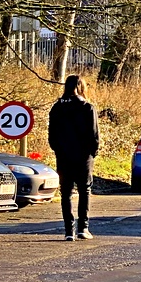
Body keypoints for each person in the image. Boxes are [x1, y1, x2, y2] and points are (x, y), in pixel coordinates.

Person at [48, 73, 100, 241]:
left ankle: (68, 230)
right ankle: (83, 228)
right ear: (81, 87)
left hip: (63, 156)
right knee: (84, 190)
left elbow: (52, 136)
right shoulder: (87, 107)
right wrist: (92, 152)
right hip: (83, 156)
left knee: (66, 193)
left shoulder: (57, 108)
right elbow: (94, 135)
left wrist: (58, 150)